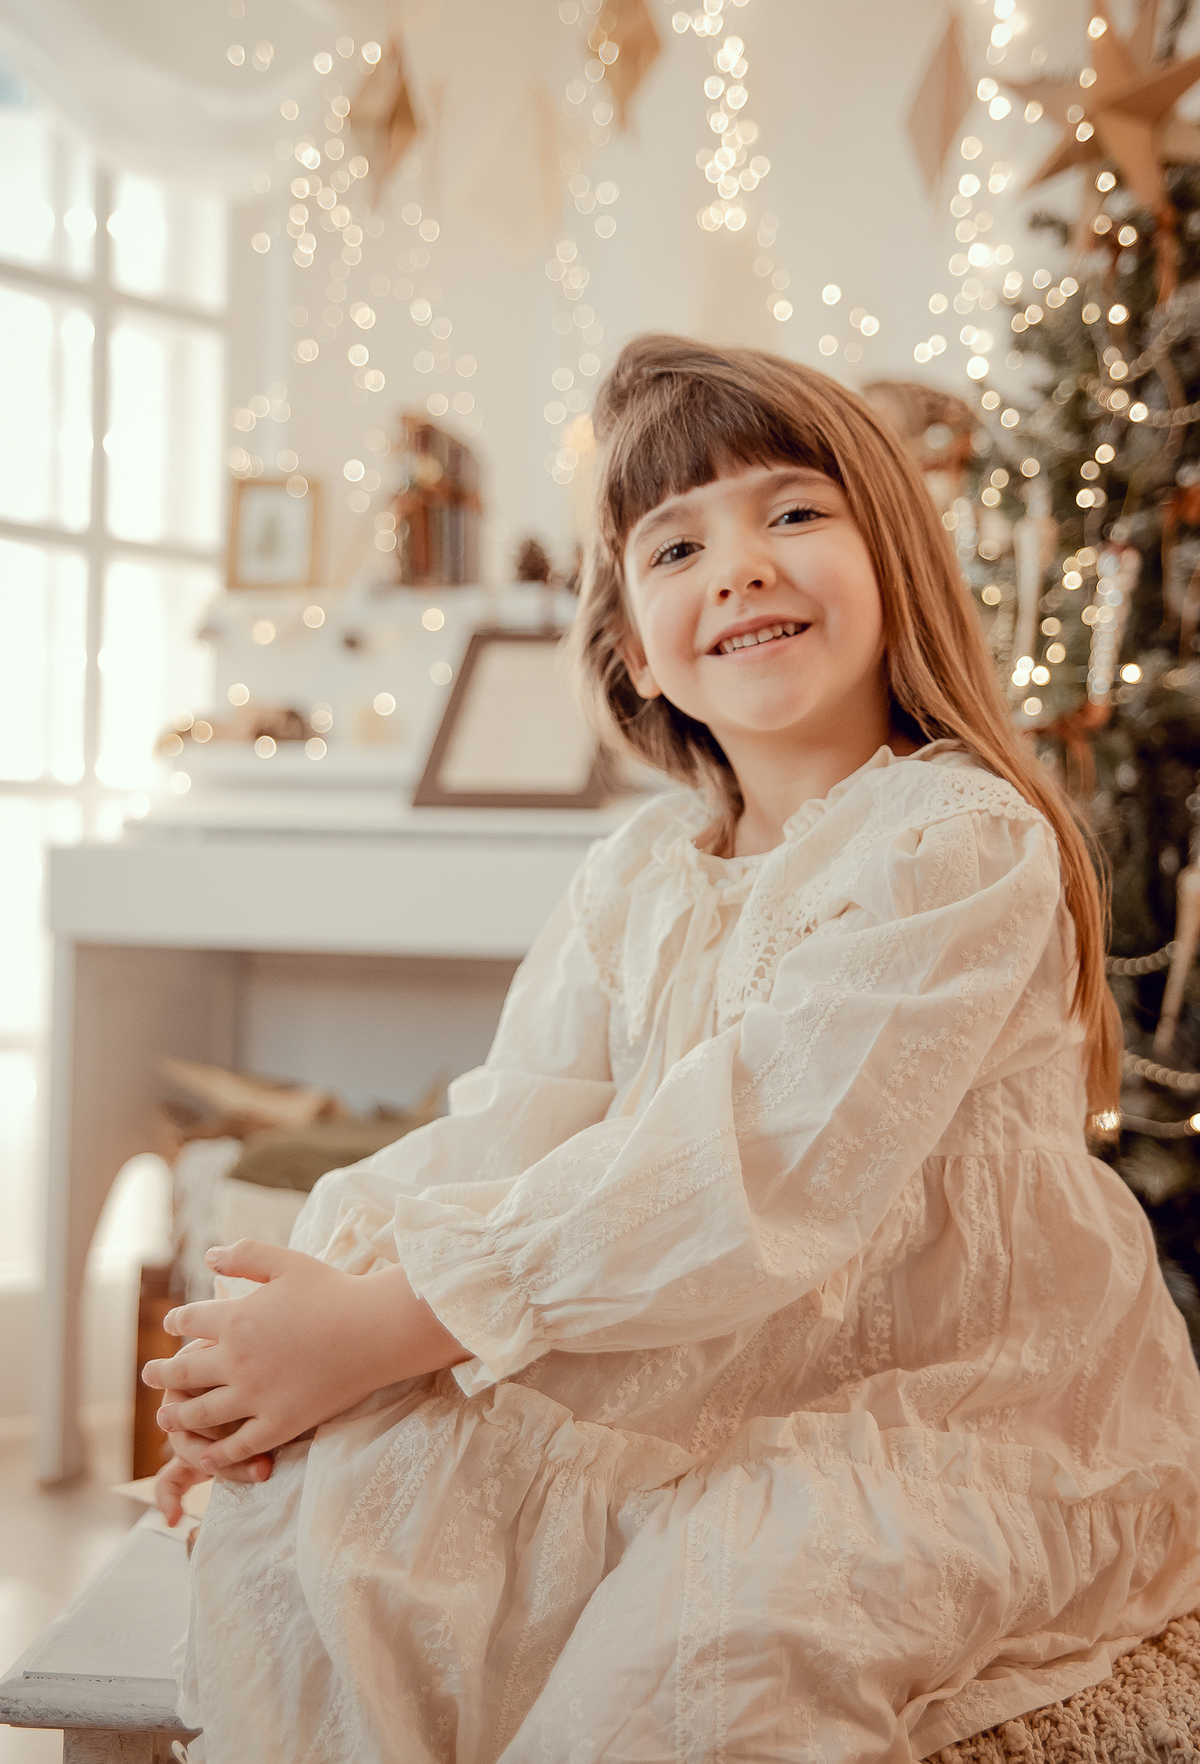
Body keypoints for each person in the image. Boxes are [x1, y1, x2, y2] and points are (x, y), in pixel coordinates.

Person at [148, 334, 1200, 1764]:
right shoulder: (637, 874)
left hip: (955, 1396)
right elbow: (515, 1121)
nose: (741, 568)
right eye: (677, 546)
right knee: (358, 1513)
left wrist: (389, 1326)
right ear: (636, 649)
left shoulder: (954, 842)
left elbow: (758, 1166)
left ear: (894, 559)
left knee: (716, 1648)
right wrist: (304, 1333)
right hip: (709, 1349)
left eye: (793, 512)